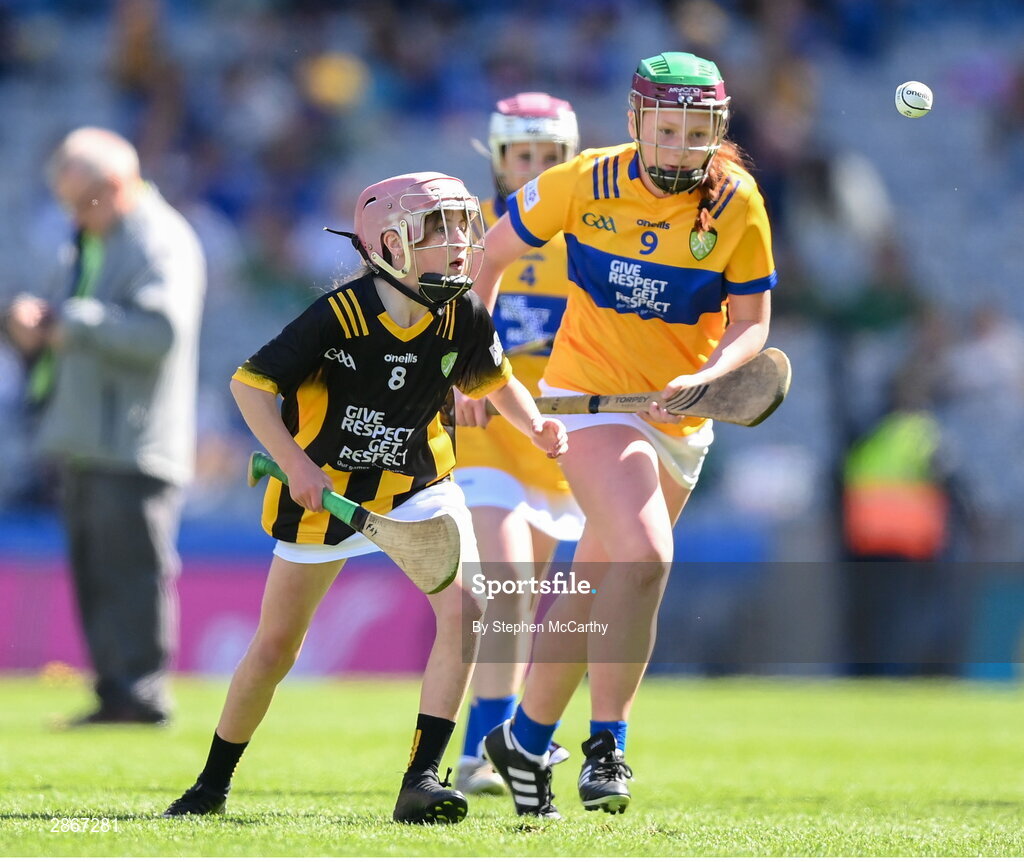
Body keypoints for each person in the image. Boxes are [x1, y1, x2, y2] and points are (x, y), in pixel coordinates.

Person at [161, 172, 567, 825]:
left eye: (462, 227)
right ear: (391, 244)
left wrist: (534, 425)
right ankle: (210, 785)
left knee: (468, 610)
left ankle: (422, 779)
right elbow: (250, 386)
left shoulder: (461, 313)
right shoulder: (339, 316)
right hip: (323, 497)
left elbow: (495, 380)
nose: (460, 244)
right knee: (276, 648)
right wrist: (296, 464)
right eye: (439, 231)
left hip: (419, 487)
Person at [458, 52, 777, 818]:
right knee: (646, 556)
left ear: (718, 130)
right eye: (665, 130)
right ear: (637, 122)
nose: (679, 147)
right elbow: (489, 255)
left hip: (681, 416)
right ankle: (609, 745)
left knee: (599, 588)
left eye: (696, 132)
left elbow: (752, 323)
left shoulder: (737, 202)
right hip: (587, 402)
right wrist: (473, 357)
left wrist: (708, 375)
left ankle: (523, 741)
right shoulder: (584, 181)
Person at [4, 127, 206, 726]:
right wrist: (33, 323)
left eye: (80, 202)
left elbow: (161, 333)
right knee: (97, 572)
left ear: (115, 186)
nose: (74, 216)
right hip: (89, 436)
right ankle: (115, 693)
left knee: (132, 572)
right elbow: (68, 319)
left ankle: (142, 694)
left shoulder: (157, 238)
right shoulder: (98, 237)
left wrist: (72, 322)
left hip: (135, 440)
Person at [453, 92, 584, 796]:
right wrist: (456, 376)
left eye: (550, 156)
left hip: (552, 438)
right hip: (483, 436)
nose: (535, 168)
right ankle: (478, 753)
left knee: (519, 599)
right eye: (523, 155)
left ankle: (486, 745)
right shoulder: (469, 229)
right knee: (506, 588)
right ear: (498, 158)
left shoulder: (590, 235)